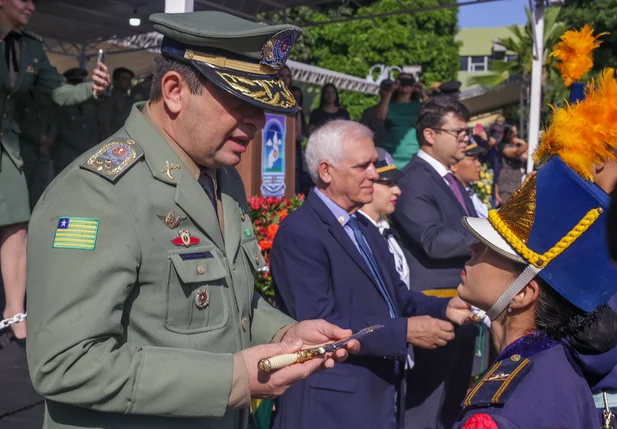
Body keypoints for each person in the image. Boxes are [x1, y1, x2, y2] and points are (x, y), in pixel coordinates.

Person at [26, 11, 358, 429]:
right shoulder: (97, 193)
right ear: (174, 91)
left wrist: (283, 337)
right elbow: (65, 364)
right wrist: (234, 379)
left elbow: (228, 303)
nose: (258, 122)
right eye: (242, 102)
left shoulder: (222, 178)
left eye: (263, 106)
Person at [270, 119, 475, 429]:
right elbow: (319, 326)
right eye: (362, 166)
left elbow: (396, 297)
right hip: (329, 406)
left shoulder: (364, 226)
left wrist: (441, 308)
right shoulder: (301, 232)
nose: (373, 174)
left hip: (378, 397)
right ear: (326, 171)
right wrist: (404, 331)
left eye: (373, 165)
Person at [454, 124, 617, 429]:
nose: (472, 248)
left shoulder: (494, 414)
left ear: (523, 293)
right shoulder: (560, 366)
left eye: (491, 248)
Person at [0, 0, 110, 344]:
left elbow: (57, 92)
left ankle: (14, 312)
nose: (29, 5)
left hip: (7, 144)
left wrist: (91, 89)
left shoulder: (29, 46)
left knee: (17, 222)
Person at [390, 96, 479, 429]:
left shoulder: (451, 179)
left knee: (451, 405)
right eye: (458, 132)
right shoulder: (412, 179)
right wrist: (487, 238)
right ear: (430, 134)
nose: (465, 140)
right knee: (425, 411)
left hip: (459, 307)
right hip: (434, 307)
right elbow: (432, 241)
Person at [358, 147, 409, 288]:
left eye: (396, 183)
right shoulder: (357, 233)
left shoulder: (384, 227)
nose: (397, 191)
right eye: (388, 184)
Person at [51, 68, 100, 175]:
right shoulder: (62, 104)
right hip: (66, 158)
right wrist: (84, 146)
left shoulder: (89, 107)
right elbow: (62, 131)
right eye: (74, 84)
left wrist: (92, 148)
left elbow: (94, 129)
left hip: (86, 157)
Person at [17, 87, 55, 211]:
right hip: (25, 152)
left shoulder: (45, 94)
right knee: (23, 194)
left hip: (44, 153)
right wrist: (40, 139)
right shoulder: (18, 94)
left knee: (42, 190)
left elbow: (54, 119)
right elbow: (16, 122)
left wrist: (49, 139)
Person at [377, 73, 425, 168]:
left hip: (413, 151)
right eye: (402, 81)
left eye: (409, 82)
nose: (405, 84)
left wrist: (423, 93)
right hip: (391, 151)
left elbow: (434, 114)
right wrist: (390, 91)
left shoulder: (418, 106)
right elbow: (381, 116)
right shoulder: (390, 105)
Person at [451, 141, 488, 218]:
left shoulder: (469, 189)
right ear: (454, 165)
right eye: (473, 159)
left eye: (478, 159)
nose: (478, 164)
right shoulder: (452, 195)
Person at [98, 66, 135, 140]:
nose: (128, 82)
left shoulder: (128, 97)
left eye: (130, 79)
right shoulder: (110, 98)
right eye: (125, 79)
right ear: (115, 80)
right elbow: (105, 122)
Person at [497, 124, 527, 204]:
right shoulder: (503, 146)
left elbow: (526, 156)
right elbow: (515, 153)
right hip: (507, 185)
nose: (514, 134)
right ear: (506, 133)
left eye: (515, 131)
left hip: (517, 183)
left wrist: (522, 143)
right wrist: (527, 143)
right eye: (511, 132)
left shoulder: (517, 145)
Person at [360, 79, 392, 148]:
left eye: (390, 90)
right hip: (374, 149)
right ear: (380, 91)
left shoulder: (399, 112)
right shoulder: (368, 112)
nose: (388, 92)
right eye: (385, 89)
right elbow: (362, 134)